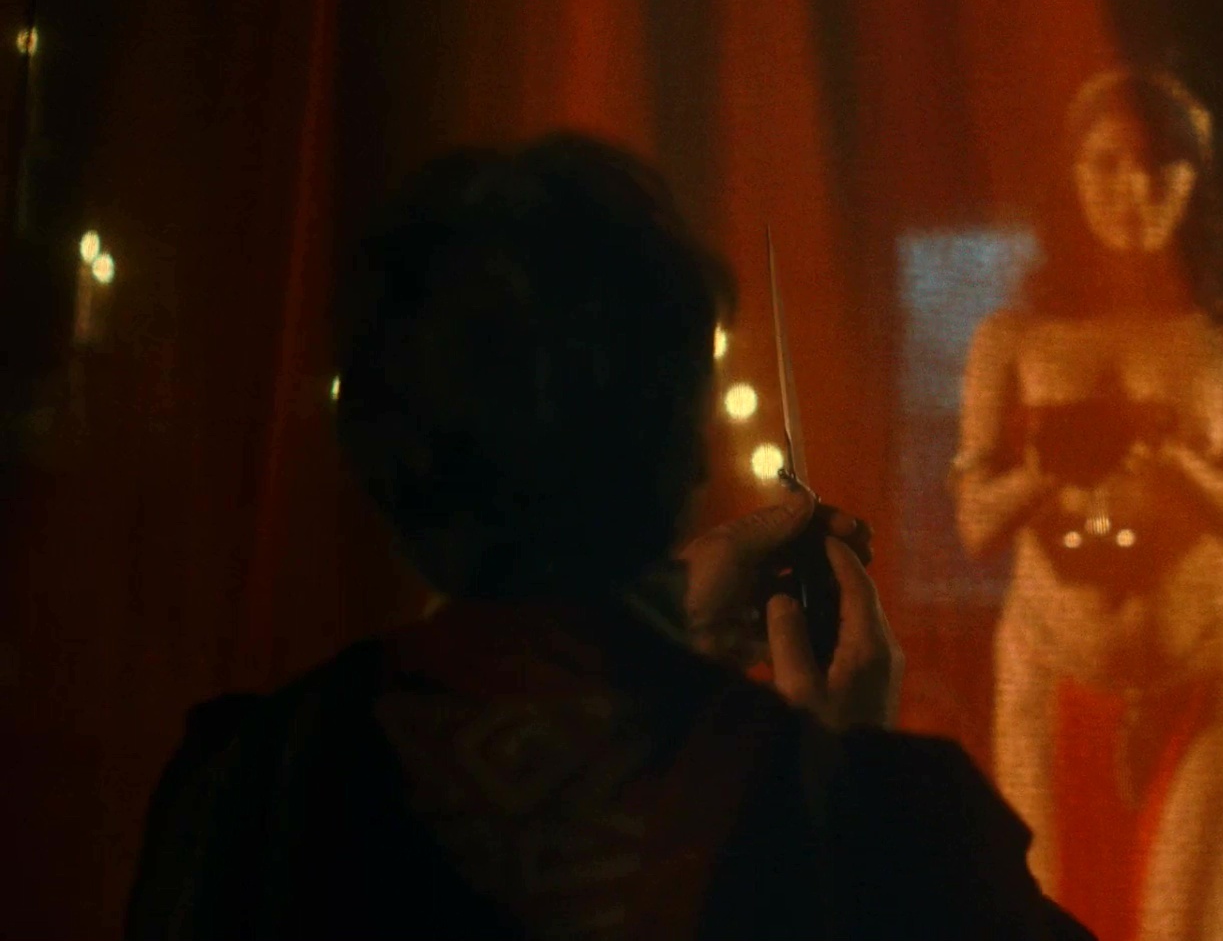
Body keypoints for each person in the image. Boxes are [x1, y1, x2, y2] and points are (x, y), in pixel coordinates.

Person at [125, 136, 1092, 941]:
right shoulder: (864, 817)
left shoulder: (248, 794)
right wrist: (845, 791)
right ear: (685, 445)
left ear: (373, 442)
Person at [952, 69, 1223, 941]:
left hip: (1208, 670)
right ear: (1073, 175)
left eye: (1159, 166)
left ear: (1195, 181)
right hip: (1050, 667)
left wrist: (1168, 453)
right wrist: (1053, 465)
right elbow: (976, 524)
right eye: (1108, 163)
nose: (1133, 189)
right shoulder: (1011, 339)